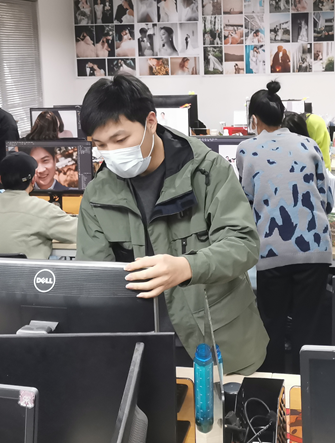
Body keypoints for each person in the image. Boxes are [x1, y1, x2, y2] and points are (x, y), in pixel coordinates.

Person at [76, 74, 269, 374]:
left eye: (120, 140)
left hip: (217, 338)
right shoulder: (97, 195)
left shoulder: (207, 171)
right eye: (100, 145)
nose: (112, 153)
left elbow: (243, 243)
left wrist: (187, 267)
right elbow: (94, 281)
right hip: (141, 346)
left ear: (151, 122)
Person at [237, 86, 333, 374]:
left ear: (254, 120)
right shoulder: (309, 144)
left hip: (271, 250)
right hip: (315, 250)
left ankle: (273, 388)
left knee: (272, 327)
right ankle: (307, 389)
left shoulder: (247, 149)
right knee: (308, 328)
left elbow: (246, 199)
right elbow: (326, 200)